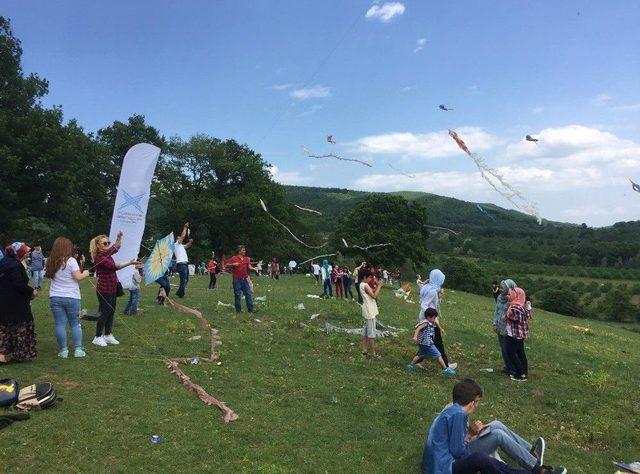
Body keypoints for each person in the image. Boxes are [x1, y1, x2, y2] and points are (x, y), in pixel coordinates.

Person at [422, 379, 566, 474]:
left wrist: (471, 432)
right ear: (472, 402)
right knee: (497, 435)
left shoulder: (452, 409)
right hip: (443, 465)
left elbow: (452, 440)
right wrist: (471, 436)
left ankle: (531, 452)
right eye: (477, 401)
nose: (477, 405)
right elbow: (457, 450)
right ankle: (537, 469)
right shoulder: (458, 415)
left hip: (440, 458)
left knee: (496, 424)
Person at [89, 231, 138, 347]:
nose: (107, 245)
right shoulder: (99, 258)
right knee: (105, 312)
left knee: (111, 311)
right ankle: (97, 336)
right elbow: (115, 267)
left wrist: (119, 237)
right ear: (98, 245)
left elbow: (115, 248)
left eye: (108, 243)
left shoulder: (106, 253)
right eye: (104, 243)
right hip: (103, 289)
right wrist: (130, 263)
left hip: (112, 288)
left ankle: (108, 334)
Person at [46, 237, 91, 358]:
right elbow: (78, 277)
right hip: (72, 297)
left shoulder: (50, 260)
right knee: (75, 324)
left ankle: (63, 350)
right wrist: (86, 273)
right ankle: (78, 349)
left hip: (55, 297)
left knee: (60, 324)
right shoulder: (71, 261)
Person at [0, 243, 37, 363]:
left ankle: (3, 355)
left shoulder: (4, 262)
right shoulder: (15, 265)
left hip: (4, 301)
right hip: (16, 303)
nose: (27, 253)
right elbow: (19, 284)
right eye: (25, 252)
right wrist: (32, 291)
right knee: (20, 327)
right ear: (20, 253)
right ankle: (18, 354)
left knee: (5, 328)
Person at [418, 269, 457, 370]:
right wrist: (431, 317)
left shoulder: (427, 287)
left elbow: (431, 301)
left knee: (426, 340)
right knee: (438, 342)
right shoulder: (432, 291)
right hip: (430, 319)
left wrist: (439, 296)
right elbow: (424, 304)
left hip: (425, 317)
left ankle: (417, 360)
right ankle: (446, 365)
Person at [406, 308, 455, 376]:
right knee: (438, 355)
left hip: (423, 343)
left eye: (435, 318)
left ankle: (410, 365)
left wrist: (441, 329)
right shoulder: (425, 323)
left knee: (420, 355)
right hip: (428, 344)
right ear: (428, 317)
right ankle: (445, 369)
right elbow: (418, 329)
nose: (434, 319)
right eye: (434, 318)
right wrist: (415, 336)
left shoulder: (431, 322)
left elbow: (436, 323)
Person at [503, 287, 530, 382]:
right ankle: (524, 373)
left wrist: (507, 316)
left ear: (517, 295)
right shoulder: (521, 305)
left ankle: (520, 373)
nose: (508, 296)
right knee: (520, 353)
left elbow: (518, 319)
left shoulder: (516, 306)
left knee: (511, 353)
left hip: (515, 335)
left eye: (510, 294)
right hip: (519, 334)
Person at [493, 280, 517, 376]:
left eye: (503, 288)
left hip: (508, 329)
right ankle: (507, 366)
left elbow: (513, 316)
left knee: (509, 349)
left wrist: (508, 329)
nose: (501, 290)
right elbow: (496, 311)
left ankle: (513, 368)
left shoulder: (513, 299)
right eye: (501, 287)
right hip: (499, 326)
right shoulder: (499, 297)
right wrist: (494, 323)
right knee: (503, 348)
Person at [359, 268, 383, 357]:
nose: (370, 279)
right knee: (371, 333)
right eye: (369, 277)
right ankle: (373, 353)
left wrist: (377, 286)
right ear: (365, 277)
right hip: (370, 311)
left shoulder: (363, 285)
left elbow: (371, 292)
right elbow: (374, 296)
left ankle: (364, 350)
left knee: (365, 332)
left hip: (367, 310)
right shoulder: (365, 285)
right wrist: (379, 286)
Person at [227, 245, 257, 313]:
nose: (245, 251)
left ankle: (250, 310)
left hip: (245, 279)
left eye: (244, 250)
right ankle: (238, 311)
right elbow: (227, 265)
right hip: (236, 280)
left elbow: (249, 266)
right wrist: (233, 264)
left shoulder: (246, 259)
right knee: (237, 295)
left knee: (248, 294)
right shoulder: (234, 258)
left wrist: (253, 268)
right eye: (243, 250)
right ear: (239, 251)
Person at [174, 223, 193, 298]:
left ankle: (179, 292)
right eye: (179, 238)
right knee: (184, 279)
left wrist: (191, 242)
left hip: (185, 264)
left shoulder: (181, 245)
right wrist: (185, 227)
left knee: (186, 279)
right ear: (177, 239)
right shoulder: (176, 245)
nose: (181, 239)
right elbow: (183, 236)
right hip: (181, 264)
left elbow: (187, 245)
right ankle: (180, 294)